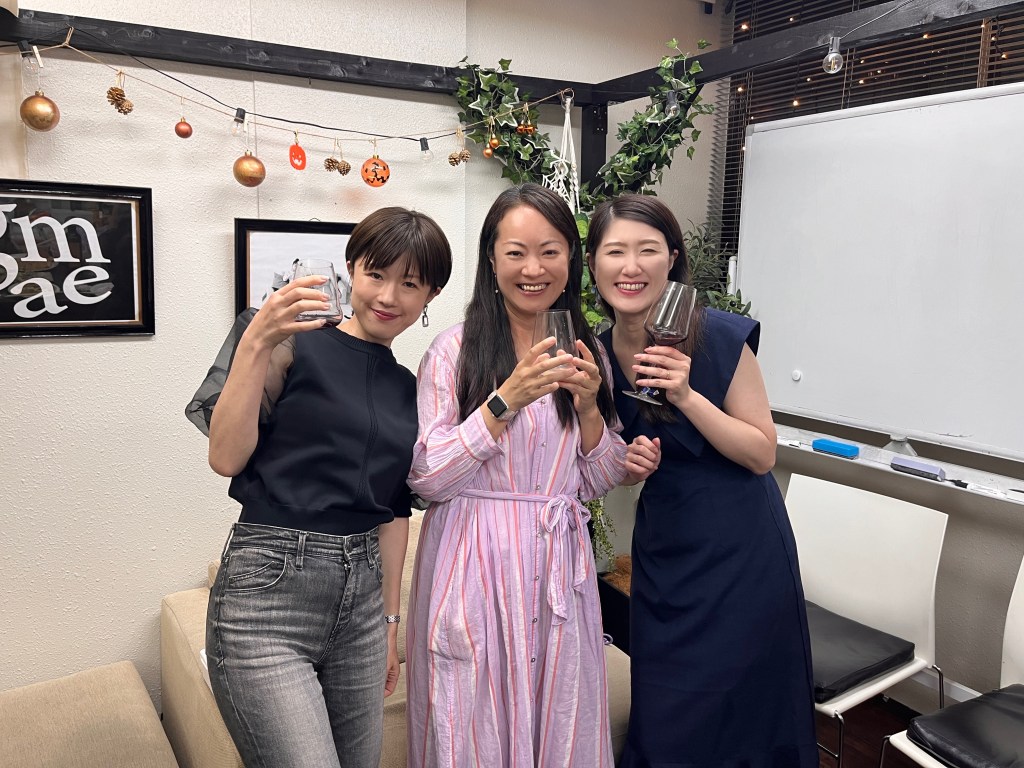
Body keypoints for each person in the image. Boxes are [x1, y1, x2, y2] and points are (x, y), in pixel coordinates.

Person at [201, 207, 452, 768]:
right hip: (267, 596)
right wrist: (256, 340)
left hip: (362, 605)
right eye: (376, 274)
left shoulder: (408, 388)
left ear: (430, 296)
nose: (388, 296)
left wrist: (389, 625)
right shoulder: (290, 342)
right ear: (352, 269)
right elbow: (225, 457)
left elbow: (393, 512)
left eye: (410, 284)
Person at [586, 194, 818, 768]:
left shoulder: (715, 336)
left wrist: (688, 396)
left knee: (744, 709)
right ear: (592, 264)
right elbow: (611, 460)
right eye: (615, 252)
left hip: (743, 548)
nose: (631, 267)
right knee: (667, 704)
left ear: (672, 259)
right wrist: (629, 462)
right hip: (666, 545)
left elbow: (761, 453)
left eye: (647, 250)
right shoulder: (599, 352)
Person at [406, 183, 627, 768]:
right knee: (470, 719)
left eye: (550, 251)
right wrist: (505, 401)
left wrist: (588, 409)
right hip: (472, 560)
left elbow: (599, 479)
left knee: (561, 714)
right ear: (491, 258)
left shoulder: (588, 353)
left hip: (560, 565)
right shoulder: (453, 351)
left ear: (571, 258)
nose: (534, 269)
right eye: (516, 252)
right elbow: (427, 477)